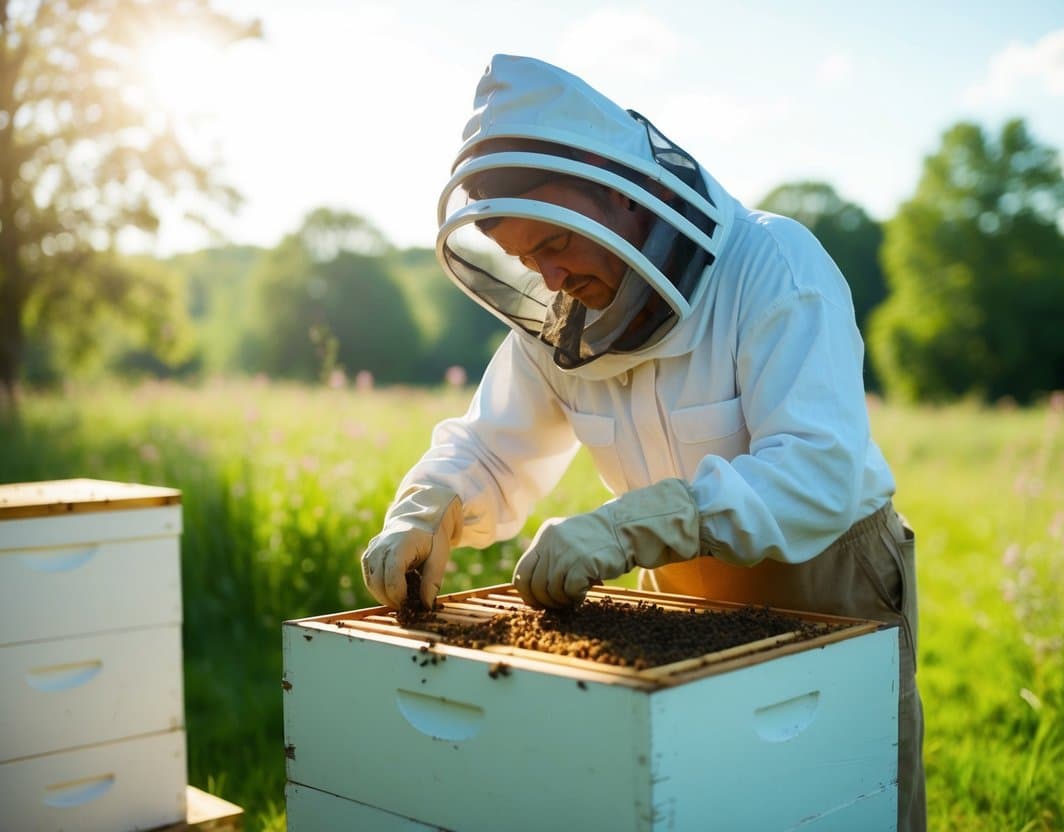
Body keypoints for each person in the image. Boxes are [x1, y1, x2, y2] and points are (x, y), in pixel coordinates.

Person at [361, 54, 925, 831]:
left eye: (557, 241)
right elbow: (492, 448)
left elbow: (815, 472)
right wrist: (428, 508)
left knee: (841, 799)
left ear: (629, 199)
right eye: (527, 258)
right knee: (705, 801)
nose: (549, 277)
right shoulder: (564, 328)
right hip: (678, 588)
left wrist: (625, 526)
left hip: (828, 574)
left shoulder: (772, 265)